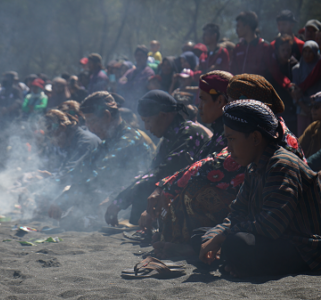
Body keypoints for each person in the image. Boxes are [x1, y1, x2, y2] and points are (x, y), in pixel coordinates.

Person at [150, 74, 305, 259]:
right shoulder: (253, 140)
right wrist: (218, 234)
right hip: (257, 216)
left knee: (231, 237)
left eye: (230, 102)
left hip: (284, 229)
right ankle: (197, 246)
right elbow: (238, 209)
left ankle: (191, 247)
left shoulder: (273, 145)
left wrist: (165, 187)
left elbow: (272, 221)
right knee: (205, 234)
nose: (227, 108)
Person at [199, 100, 321, 277]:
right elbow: (237, 213)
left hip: (300, 246)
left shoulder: (282, 164)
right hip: (273, 240)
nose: (229, 148)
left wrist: (223, 238)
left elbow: (272, 224)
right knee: (203, 235)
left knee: (236, 243)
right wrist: (215, 236)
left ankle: (236, 263)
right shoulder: (253, 167)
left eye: (232, 139)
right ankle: (235, 263)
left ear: (255, 138)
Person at [47, 91, 154, 228]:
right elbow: (81, 169)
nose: (90, 129)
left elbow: (97, 176)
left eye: (92, 122)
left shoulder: (127, 140)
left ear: (107, 116)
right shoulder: (107, 141)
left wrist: (63, 200)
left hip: (131, 203)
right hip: (111, 197)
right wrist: (47, 189)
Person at [105, 90, 210, 225]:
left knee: (146, 188)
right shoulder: (168, 137)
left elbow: (164, 172)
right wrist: (118, 199)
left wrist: (120, 202)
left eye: (148, 121)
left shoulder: (189, 134)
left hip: (197, 201)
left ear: (164, 115)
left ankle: (143, 227)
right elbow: (151, 172)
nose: (146, 127)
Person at [268, 34, 298, 134]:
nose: (286, 53)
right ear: (277, 51)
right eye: (283, 50)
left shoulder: (294, 65)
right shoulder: (271, 67)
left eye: (288, 50)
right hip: (275, 109)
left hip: (290, 109)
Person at [292, 41, 321, 136]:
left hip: (318, 108)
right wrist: (304, 106)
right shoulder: (296, 69)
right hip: (302, 109)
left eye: (310, 52)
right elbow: (295, 92)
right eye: (305, 51)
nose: (307, 54)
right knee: (303, 137)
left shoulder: (319, 69)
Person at [230, 11, 270, 76]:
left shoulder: (264, 47)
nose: (236, 30)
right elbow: (232, 71)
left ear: (247, 26)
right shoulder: (238, 48)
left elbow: (273, 72)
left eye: (238, 26)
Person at [118, 45, 155, 112]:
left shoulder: (149, 72)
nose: (139, 58)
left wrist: (128, 83)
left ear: (146, 57)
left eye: (141, 55)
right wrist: (132, 83)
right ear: (135, 56)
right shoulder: (130, 71)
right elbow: (120, 82)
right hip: (128, 106)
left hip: (141, 107)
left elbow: (139, 86)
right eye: (137, 55)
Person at [299, 91, 321, 158]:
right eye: (311, 106)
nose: (312, 110)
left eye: (316, 106)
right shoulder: (313, 127)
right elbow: (298, 146)